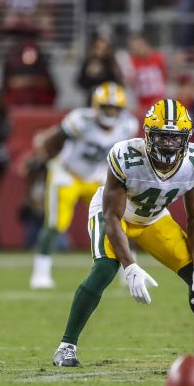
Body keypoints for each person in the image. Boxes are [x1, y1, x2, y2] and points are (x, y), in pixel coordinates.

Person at [50, 98, 194, 368]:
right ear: (148, 135)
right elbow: (112, 217)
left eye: (175, 138)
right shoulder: (126, 157)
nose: (168, 144)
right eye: (162, 137)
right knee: (105, 268)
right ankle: (66, 347)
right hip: (116, 214)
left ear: (186, 139)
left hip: (154, 219)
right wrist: (130, 267)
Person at [30, 82, 139, 289]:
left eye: (114, 108)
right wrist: (45, 162)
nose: (110, 112)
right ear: (96, 105)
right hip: (67, 174)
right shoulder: (80, 120)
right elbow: (53, 141)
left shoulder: (127, 125)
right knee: (55, 224)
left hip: (98, 176)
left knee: (117, 221)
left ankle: (130, 271)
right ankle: (40, 273)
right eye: (106, 107)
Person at [2, 26, 57, 108]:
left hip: (39, 106)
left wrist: (29, 81)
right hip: (16, 106)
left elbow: (51, 87)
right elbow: (5, 85)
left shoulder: (41, 63)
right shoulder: (11, 63)